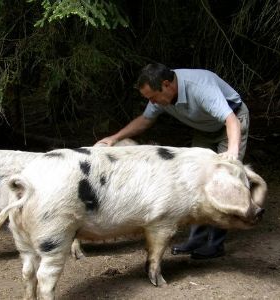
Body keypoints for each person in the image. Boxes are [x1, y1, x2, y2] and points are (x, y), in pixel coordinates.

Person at [95, 63, 249, 259]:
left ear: (167, 85)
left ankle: (216, 244)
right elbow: (145, 120)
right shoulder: (161, 94)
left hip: (233, 121)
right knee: (197, 179)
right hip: (206, 128)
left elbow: (231, 120)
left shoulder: (200, 88)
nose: (153, 102)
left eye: (152, 97)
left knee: (223, 180)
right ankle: (196, 239)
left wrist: (232, 154)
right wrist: (115, 138)